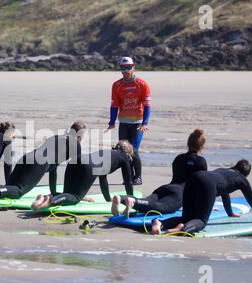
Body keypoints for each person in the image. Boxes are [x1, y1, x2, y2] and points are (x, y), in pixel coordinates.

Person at [0, 121, 86, 206]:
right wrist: (73, 193)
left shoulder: (56, 137)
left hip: (28, 156)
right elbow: (73, 172)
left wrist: (54, 193)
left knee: (10, 189)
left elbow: (53, 170)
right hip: (39, 162)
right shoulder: (76, 146)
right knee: (18, 190)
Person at [151, 159, 252, 235]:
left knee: (186, 217)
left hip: (194, 178)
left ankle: (160, 222)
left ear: (235, 167)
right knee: (201, 221)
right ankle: (182, 228)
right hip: (208, 184)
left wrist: (230, 212)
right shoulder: (241, 179)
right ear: (246, 174)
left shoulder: (223, 171)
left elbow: (225, 192)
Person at [111, 129, 207, 218]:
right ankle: (132, 202)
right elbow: (203, 186)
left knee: (147, 201)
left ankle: (121, 198)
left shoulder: (179, 158)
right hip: (180, 194)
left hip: (165, 188)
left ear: (188, 143)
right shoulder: (201, 161)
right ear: (201, 146)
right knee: (158, 208)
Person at [31, 140, 135, 211]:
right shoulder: (124, 157)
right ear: (128, 152)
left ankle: (45, 197)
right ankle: (50, 200)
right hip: (89, 166)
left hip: (76, 159)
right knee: (75, 198)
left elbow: (103, 180)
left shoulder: (109, 153)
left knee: (68, 193)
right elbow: (128, 181)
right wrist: (133, 199)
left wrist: (107, 199)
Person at [106, 56, 151, 186]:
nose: (126, 70)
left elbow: (147, 105)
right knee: (123, 152)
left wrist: (145, 123)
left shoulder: (142, 84)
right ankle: (129, 177)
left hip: (138, 124)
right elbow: (114, 105)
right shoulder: (117, 85)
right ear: (120, 69)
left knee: (134, 150)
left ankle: (138, 177)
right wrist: (112, 122)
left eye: (128, 67)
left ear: (133, 67)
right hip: (124, 123)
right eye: (123, 68)